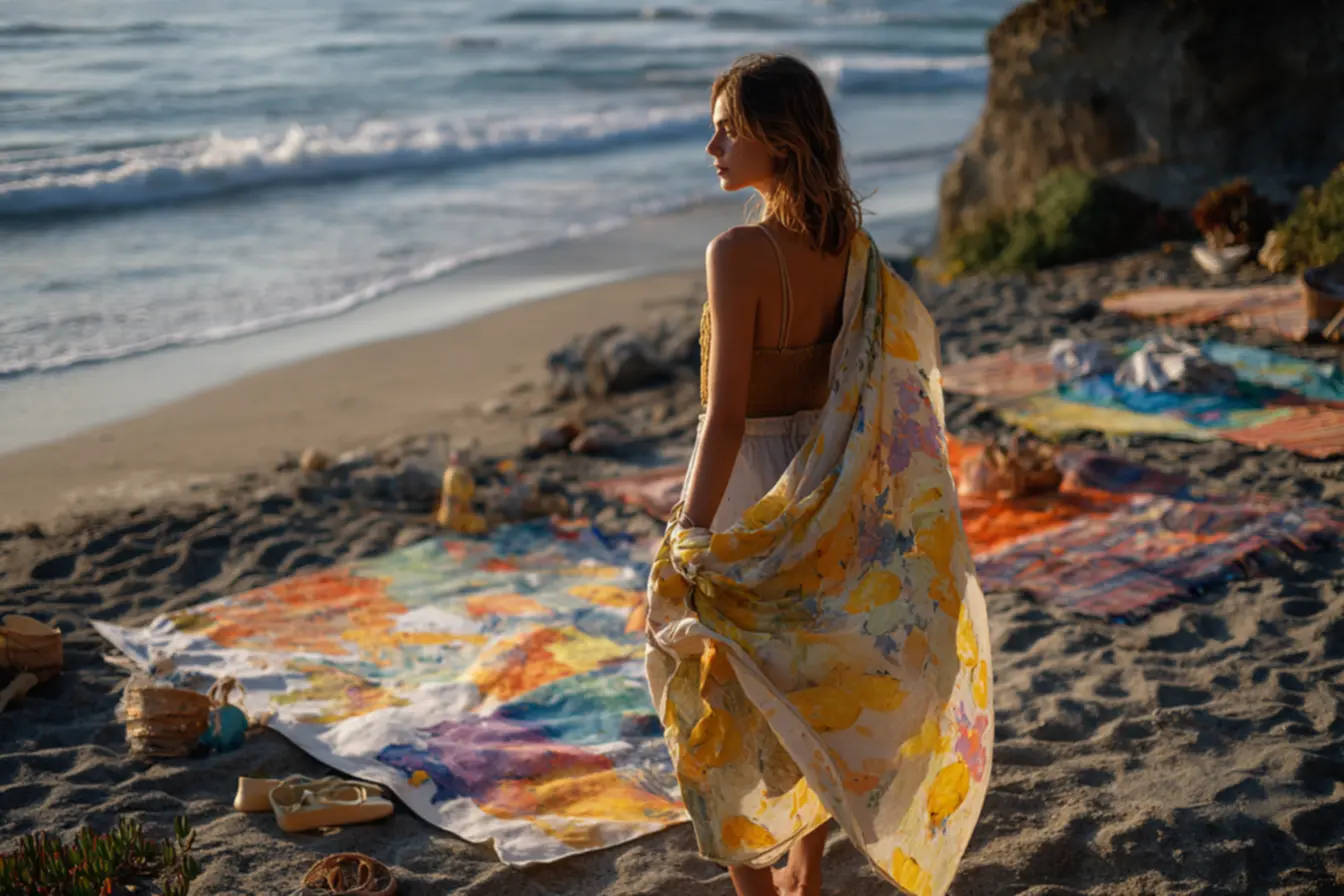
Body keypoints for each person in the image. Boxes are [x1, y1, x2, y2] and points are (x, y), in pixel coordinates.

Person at [643, 54, 993, 896]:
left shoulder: (736, 253)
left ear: (781, 138)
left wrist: (688, 534)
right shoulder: (852, 251)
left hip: (744, 482)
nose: (712, 145)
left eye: (728, 127)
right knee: (811, 679)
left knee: (714, 688)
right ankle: (807, 869)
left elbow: (724, 417)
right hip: (824, 479)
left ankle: (760, 891)